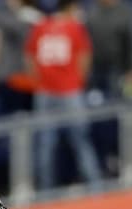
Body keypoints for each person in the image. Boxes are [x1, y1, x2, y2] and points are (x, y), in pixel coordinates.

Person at [26, 0, 104, 190]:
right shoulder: (74, 27)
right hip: (69, 92)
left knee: (46, 145)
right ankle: (96, 188)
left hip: (45, 92)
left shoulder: (41, 26)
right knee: (80, 143)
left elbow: (29, 58)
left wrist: (40, 81)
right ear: (69, 9)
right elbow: (84, 57)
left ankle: (45, 192)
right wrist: (77, 81)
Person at [0, 0, 43, 114]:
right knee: (12, 114)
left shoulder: (34, 17)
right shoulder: (1, 16)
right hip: (10, 76)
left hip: (29, 75)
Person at [87, 0, 132, 100]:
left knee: (117, 103)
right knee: (95, 105)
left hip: (119, 68)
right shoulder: (91, 11)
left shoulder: (127, 12)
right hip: (95, 68)